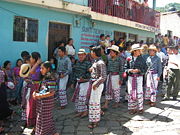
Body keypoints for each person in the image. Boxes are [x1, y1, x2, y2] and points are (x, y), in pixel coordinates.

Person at [33, 61, 59, 135]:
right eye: (40, 68)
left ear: (48, 69)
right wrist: (36, 93)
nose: (41, 70)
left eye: (42, 68)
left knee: (44, 119)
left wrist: (39, 96)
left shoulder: (51, 78)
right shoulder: (45, 77)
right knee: (43, 118)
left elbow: (51, 93)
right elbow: (43, 89)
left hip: (47, 102)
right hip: (42, 101)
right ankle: (51, 132)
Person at [124, 44, 147, 114]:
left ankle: (140, 108)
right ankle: (132, 108)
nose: (140, 51)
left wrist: (139, 70)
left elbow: (145, 69)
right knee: (131, 92)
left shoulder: (142, 59)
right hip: (131, 78)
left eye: (140, 50)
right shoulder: (129, 58)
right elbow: (125, 68)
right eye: (138, 50)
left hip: (139, 77)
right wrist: (129, 70)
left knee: (139, 92)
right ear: (134, 51)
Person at [88, 46, 107, 129]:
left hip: (97, 85)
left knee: (95, 102)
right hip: (94, 84)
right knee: (93, 102)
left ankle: (95, 121)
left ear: (95, 53)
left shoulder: (100, 63)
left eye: (92, 52)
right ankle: (96, 116)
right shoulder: (95, 61)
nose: (91, 53)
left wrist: (95, 84)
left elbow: (103, 77)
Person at [71, 49, 91, 118]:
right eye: (79, 55)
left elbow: (90, 73)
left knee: (83, 98)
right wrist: (73, 82)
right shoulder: (77, 62)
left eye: (82, 55)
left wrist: (84, 77)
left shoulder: (88, 63)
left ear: (85, 55)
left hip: (85, 83)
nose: (80, 56)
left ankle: (85, 111)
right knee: (78, 98)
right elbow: (75, 72)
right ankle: (80, 111)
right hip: (78, 82)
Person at [24, 52, 41, 127]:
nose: (30, 59)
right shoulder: (32, 66)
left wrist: (37, 63)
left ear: (34, 59)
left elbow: (31, 73)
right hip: (31, 87)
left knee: (33, 105)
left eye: (31, 58)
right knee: (30, 104)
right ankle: (30, 121)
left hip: (36, 87)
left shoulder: (38, 67)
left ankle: (34, 122)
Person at [0, 69, 13, 133]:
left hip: (1, 88)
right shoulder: (2, 71)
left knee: (2, 104)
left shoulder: (1, 72)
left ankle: (1, 121)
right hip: (2, 88)